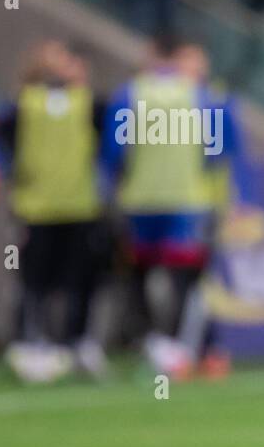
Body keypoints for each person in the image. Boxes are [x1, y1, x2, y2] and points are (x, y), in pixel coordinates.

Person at [102, 35, 250, 377]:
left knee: (156, 274)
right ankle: (185, 349)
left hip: (142, 198)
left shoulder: (131, 93)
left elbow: (115, 150)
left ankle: (181, 347)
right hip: (193, 201)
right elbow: (219, 154)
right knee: (190, 277)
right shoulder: (207, 99)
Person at [0, 42, 110, 382]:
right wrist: (13, 173)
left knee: (81, 279)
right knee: (32, 280)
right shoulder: (22, 103)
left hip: (80, 205)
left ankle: (77, 342)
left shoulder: (91, 104)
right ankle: (29, 342)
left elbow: (111, 146)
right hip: (35, 207)